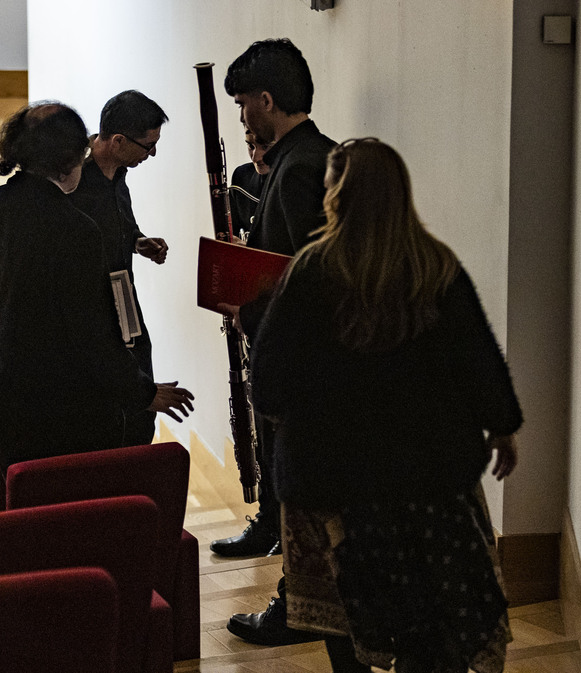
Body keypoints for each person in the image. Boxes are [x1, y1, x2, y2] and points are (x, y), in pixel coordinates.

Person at [249, 138, 521, 673]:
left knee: (341, 611)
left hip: (333, 481)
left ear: (337, 196)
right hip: (427, 475)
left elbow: (270, 382)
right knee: (430, 608)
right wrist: (501, 426)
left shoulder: (311, 273)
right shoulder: (437, 268)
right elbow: (478, 358)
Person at [0, 101, 194, 472]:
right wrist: (143, 393)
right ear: (74, 156)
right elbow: (91, 333)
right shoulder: (73, 229)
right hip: (60, 424)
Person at [214, 37, 337, 647]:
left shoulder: (296, 170)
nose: (240, 117)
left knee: (300, 492)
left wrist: (250, 307)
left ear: (266, 100)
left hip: (305, 367)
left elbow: (300, 283)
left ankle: (300, 609)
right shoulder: (319, 155)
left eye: (242, 105)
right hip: (319, 363)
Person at [67, 90, 169, 446]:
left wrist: (138, 241)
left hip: (123, 297)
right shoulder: (72, 178)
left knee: (140, 409)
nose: (152, 153)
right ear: (119, 140)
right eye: (148, 145)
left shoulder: (120, 172)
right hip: (90, 310)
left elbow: (115, 224)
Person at [228, 128, 271, 239]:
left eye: (265, 147)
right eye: (251, 147)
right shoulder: (241, 176)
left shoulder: (295, 181)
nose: (255, 158)